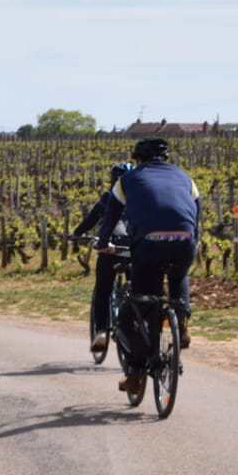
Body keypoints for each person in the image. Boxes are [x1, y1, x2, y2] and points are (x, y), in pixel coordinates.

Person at [96, 138, 200, 392]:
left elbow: (110, 216)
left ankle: (135, 373)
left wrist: (103, 242)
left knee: (136, 309)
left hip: (149, 244)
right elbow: (198, 212)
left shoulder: (127, 180)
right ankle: (182, 318)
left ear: (137, 159)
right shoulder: (186, 178)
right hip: (185, 240)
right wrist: (191, 238)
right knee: (178, 276)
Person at [72, 162, 135, 353]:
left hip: (110, 250)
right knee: (139, 288)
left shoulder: (109, 197)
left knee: (103, 290)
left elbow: (91, 219)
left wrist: (77, 233)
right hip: (135, 248)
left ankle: (100, 331)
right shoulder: (141, 197)